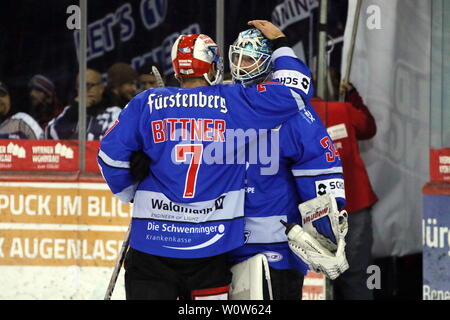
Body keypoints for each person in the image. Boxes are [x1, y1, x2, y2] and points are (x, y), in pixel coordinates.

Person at [98, 24, 313, 300]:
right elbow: (296, 90)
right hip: (211, 247)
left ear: (177, 70)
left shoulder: (147, 103)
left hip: (151, 245)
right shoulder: (236, 101)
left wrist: (130, 190)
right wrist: (282, 43)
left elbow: (109, 158)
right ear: (212, 68)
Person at [227, 22, 347, 300]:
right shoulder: (222, 102)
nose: (242, 65)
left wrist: (326, 227)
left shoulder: (292, 111)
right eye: (237, 57)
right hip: (223, 241)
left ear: (268, 63)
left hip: (276, 245)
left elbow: (322, 167)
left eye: (250, 58)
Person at [310, 80, 378, 300]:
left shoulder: (292, 119)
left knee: (314, 282)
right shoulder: (344, 110)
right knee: (357, 277)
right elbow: (368, 127)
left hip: (314, 211)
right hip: (353, 205)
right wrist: (353, 96)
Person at [44, 69, 121, 140]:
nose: (85, 90)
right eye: (80, 86)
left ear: (101, 88)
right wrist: (74, 111)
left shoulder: (114, 112)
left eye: (89, 85)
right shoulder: (70, 111)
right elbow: (49, 134)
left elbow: (112, 140)